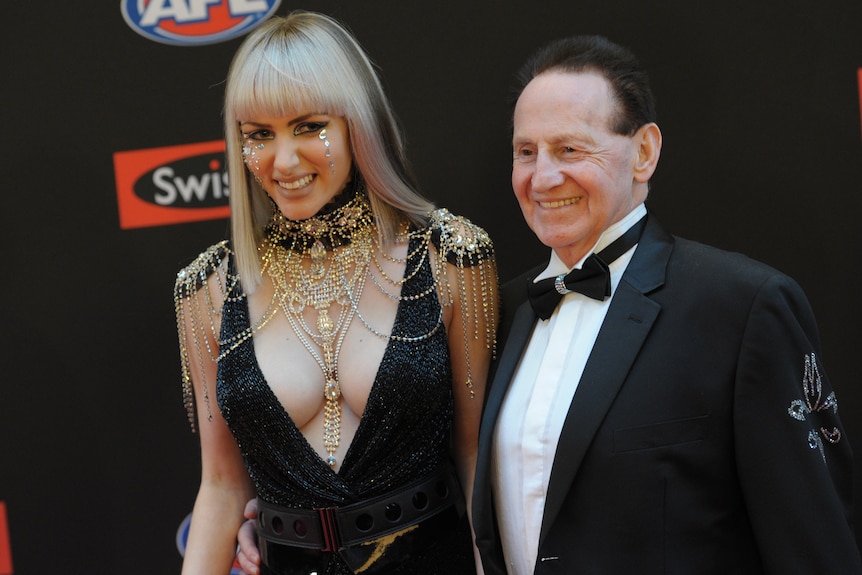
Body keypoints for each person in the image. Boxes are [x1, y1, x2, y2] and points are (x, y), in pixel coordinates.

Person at [469, 35, 861, 574]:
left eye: (570, 149)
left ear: (644, 152)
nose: (542, 178)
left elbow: (815, 544)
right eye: (525, 152)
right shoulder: (500, 310)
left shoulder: (744, 307)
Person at [174, 11, 497, 575]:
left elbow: (475, 460)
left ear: (356, 124)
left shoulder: (451, 256)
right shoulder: (205, 289)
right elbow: (222, 487)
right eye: (259, 135)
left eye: (308, 126)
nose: (285, 160)